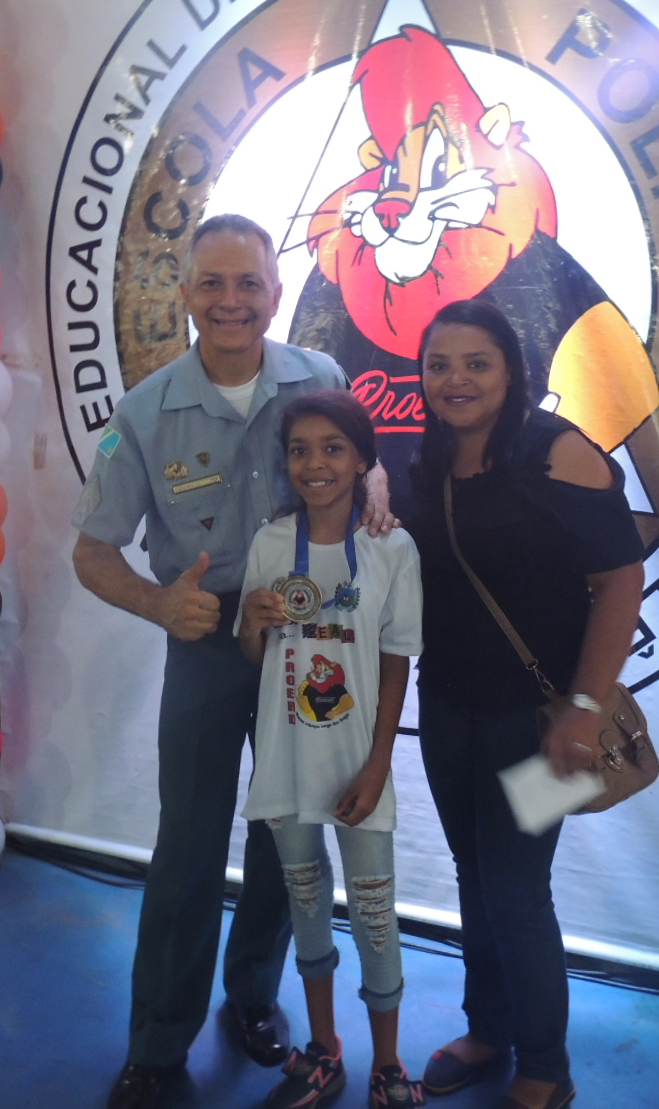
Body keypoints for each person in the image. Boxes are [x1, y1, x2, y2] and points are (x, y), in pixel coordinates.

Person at [71, 214, 392, 1109]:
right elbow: (92, 552)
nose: (230, 301)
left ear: (275, 294)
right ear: (185, 295)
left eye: (248, 283)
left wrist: (374, 480)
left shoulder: (320, 379)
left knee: (287, 833)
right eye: (211, 283)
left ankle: (254, 995)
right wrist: (158, 603)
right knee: (188, 845)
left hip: (307, 646)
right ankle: (156, 1042)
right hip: (207, 642)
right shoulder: (143, 415)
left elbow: (364, 462)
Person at [400, 300, 643, 1109]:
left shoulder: (556, 450)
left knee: (515, 887)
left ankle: (545, 1066)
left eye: (477, 363)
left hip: (540, 725)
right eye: (440, 365)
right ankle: (488, 1030)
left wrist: (586, 707)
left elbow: (620, 581)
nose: (456, 380)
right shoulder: (428, 457)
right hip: (449, 708)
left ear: (511, 369)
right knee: (475, 875)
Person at [237, 390, 426, 1109]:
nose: (314, 464)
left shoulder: (391, 547)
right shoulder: (269, 543)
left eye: (332, 448)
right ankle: (325, 1049)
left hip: (357, 768)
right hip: (287, 764)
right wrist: (252, 623)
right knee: (307, 905)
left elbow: (398, 660)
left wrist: (380, 765)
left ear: (362, 460)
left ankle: (388, 1064)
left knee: (376, 915)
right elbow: (255, 654)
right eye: (300, 450)